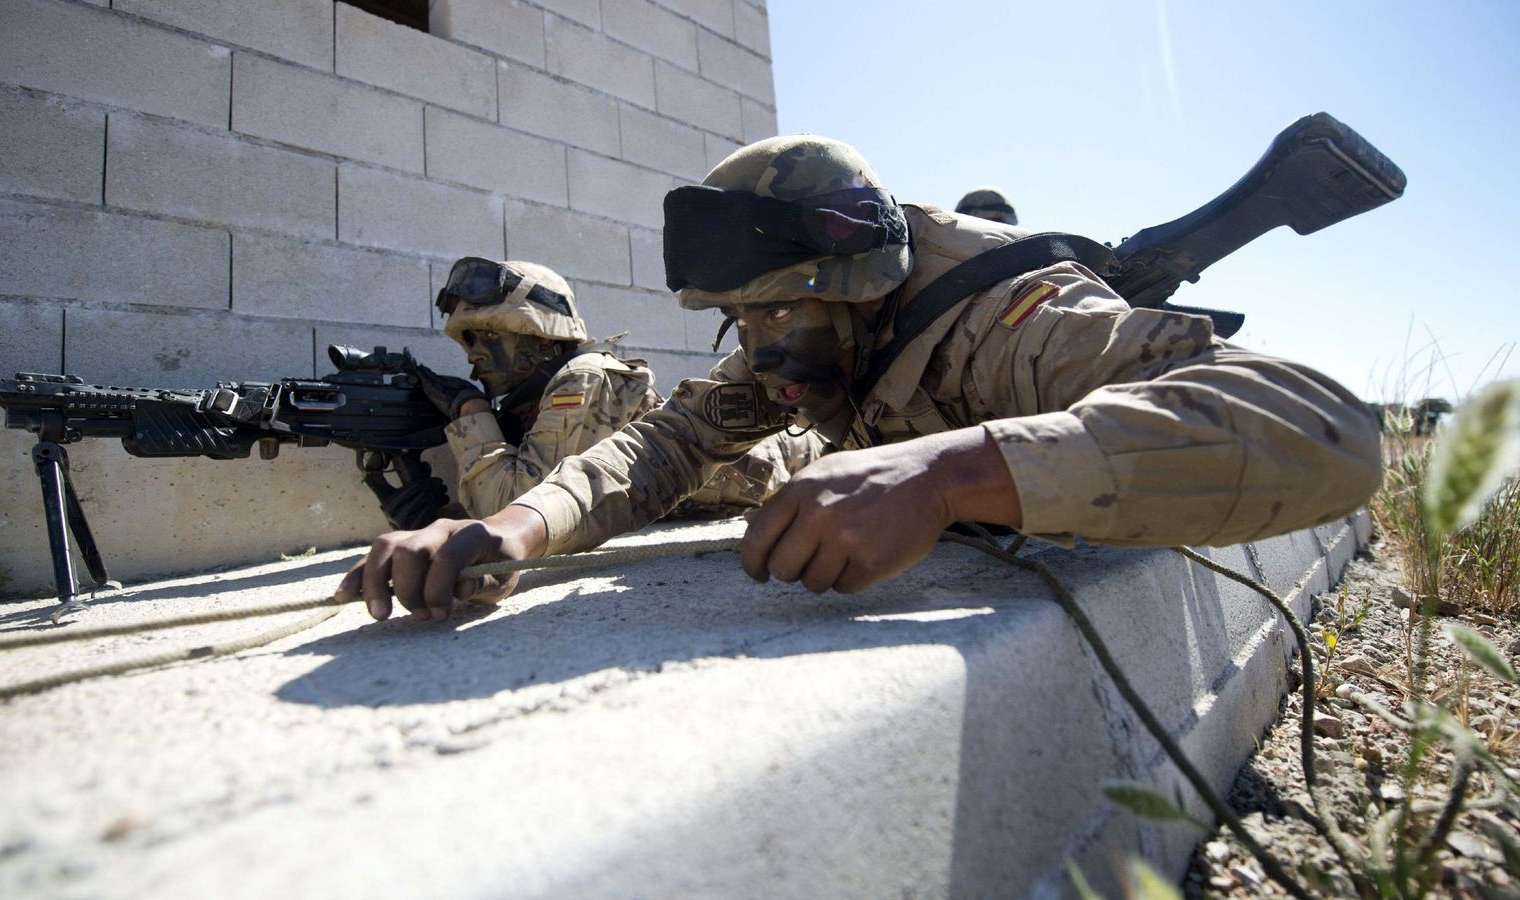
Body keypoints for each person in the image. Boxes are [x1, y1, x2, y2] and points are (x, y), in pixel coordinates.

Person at [338, 135, 1381, 622]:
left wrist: (945, 476)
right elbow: (663, 447)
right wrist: (509, 532)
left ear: (860, 287)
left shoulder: (1010, 327)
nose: (762, 352)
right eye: (743, 322)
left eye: (777, 313)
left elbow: (1332, 433)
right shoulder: (801, 353)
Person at [413, 257, 822, 521]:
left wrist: (470, 412)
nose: (472, 357)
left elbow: (518, 508)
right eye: (466, 341)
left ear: (541, 338)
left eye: (486, 337)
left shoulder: (584, 377)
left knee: (825, 440)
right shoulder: (533, 399)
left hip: (761, 460)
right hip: (727, 465)